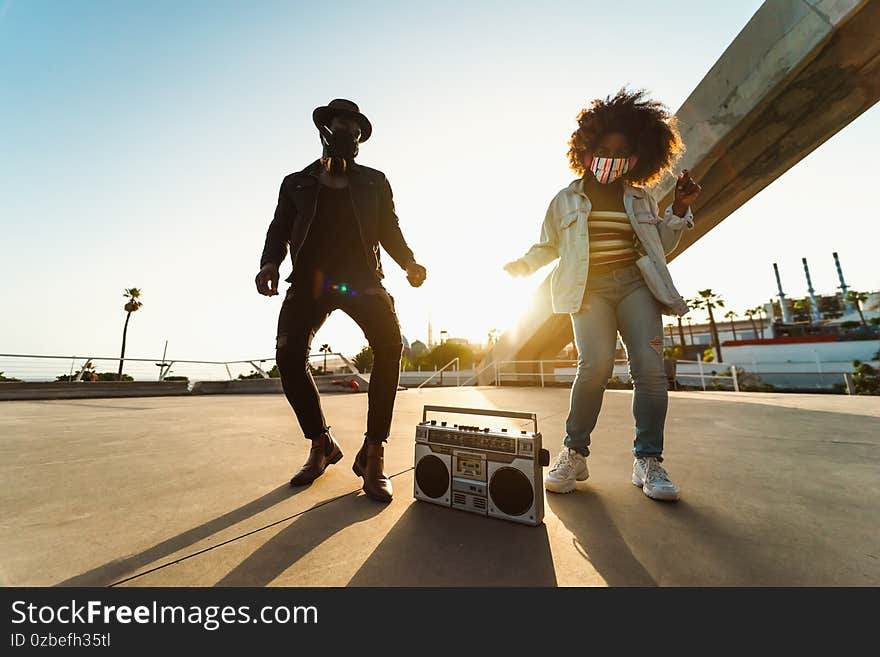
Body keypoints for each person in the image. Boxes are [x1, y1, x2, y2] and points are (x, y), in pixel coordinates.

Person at [504, 89, 701, 501]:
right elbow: (547, 246)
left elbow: (659, 246)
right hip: (588, 289)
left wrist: (679, 209)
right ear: (587, 151)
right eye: (603, 149)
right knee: (593, 367)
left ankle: (648, 461)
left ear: (637, 157)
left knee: (648, 370)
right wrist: (523, 265)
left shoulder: (640, 197)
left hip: (635, 285)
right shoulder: (565, 199)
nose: (611, 158)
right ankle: (575, 454)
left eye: (622, 151)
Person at [255, 99, 427, 502]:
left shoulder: (375, 181)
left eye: (356, 129)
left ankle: (373, 453)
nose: (349, 132)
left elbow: (390, 229)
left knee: (389, 347)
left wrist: (410, 263)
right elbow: (278, 229)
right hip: (310, 281)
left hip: (363, 279)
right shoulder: (296, 182)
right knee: (288, 355)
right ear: (325, 129)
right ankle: (321, 445)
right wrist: (269, 264)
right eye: (342, 124)